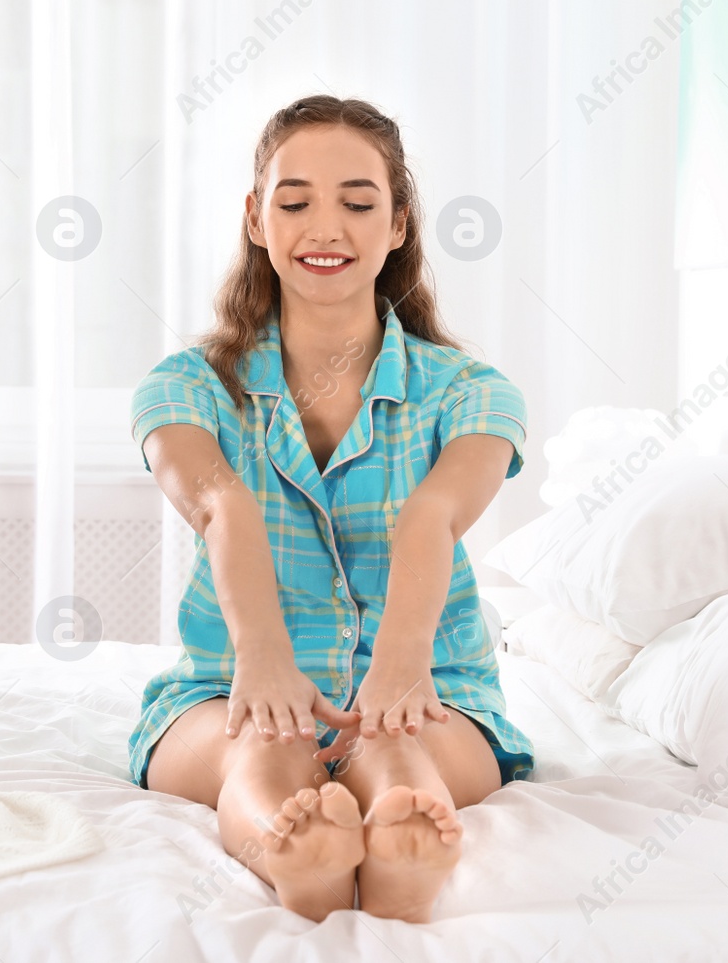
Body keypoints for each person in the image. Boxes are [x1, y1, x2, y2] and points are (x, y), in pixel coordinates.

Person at [126, 94, 534, 923]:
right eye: (295, 200)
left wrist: (401, 662)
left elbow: (433, 515)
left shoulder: (472, 393)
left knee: (399, 747)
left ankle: (402, 844)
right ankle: (297, 852)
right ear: (254, 217)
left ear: (397, 225)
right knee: (261, 751)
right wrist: (264, 655)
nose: (326, 227)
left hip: (435, 688)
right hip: (225, 688)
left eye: (357, 203)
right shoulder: (186, 384)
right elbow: (222, 505)